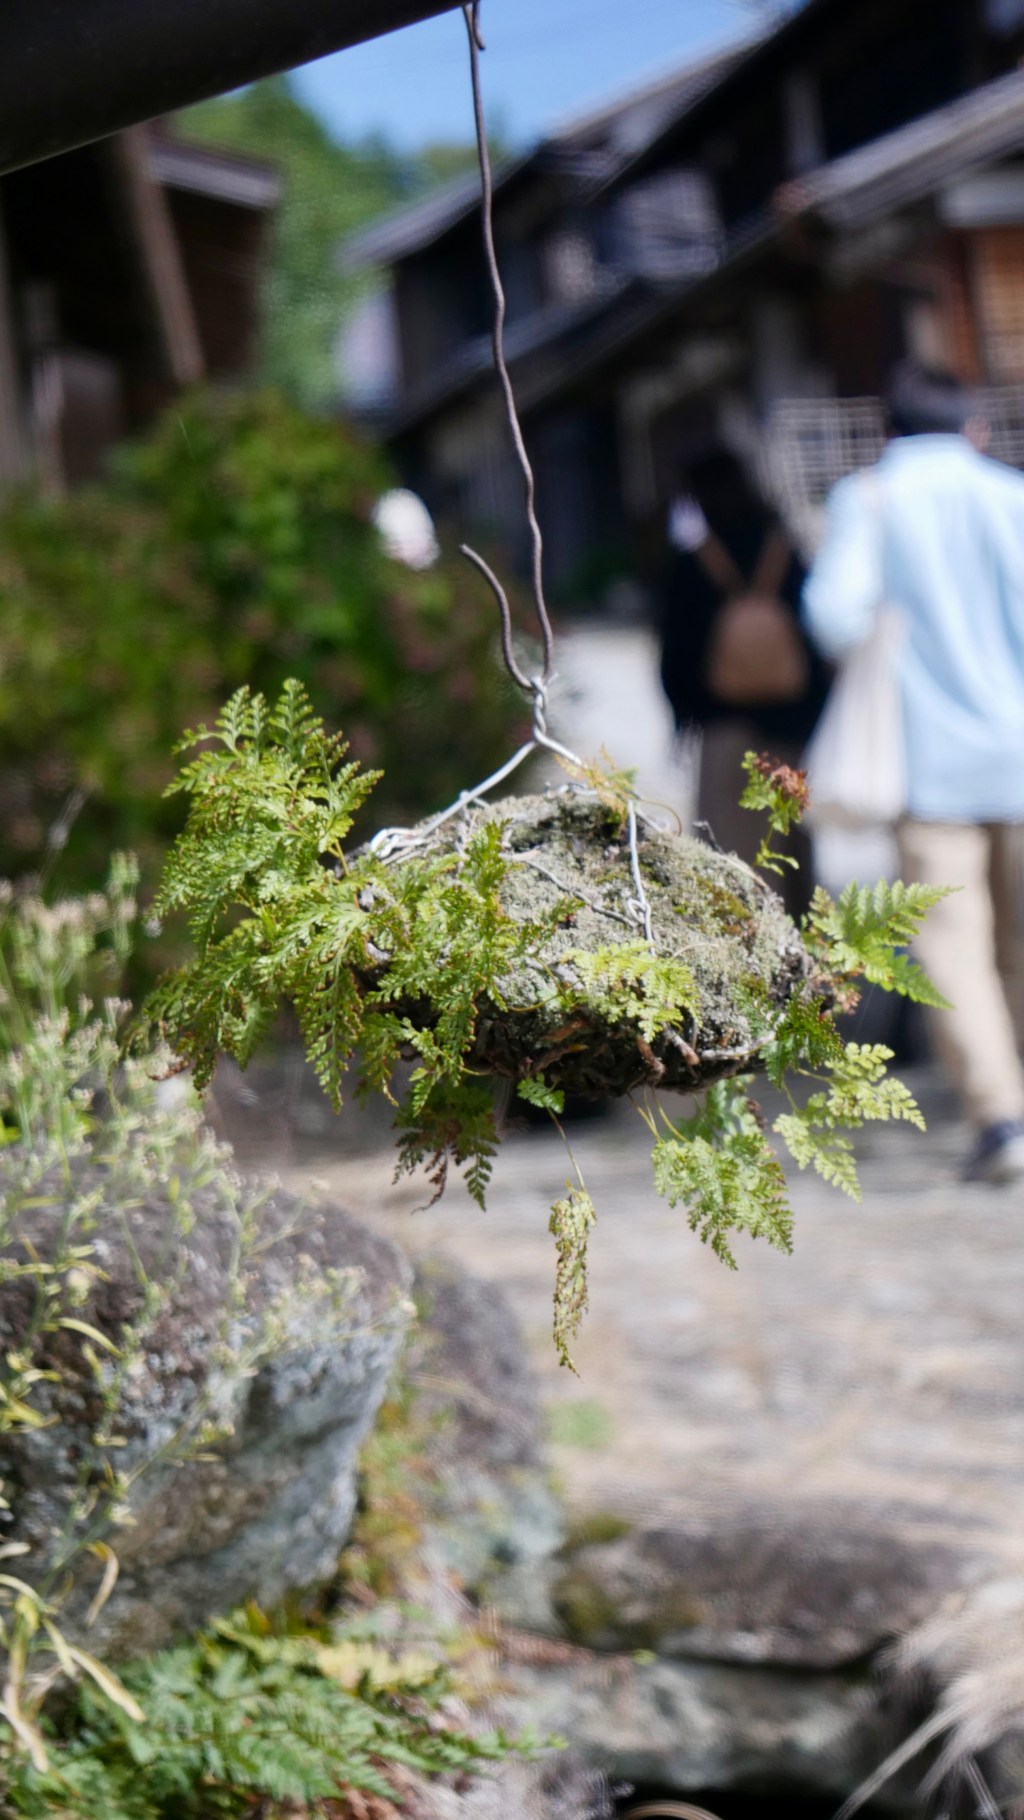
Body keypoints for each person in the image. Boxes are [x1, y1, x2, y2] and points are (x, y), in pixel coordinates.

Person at [803, 361, 1024, 1184]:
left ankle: (1003, 1120)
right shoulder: (1011, 495)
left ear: (888, 430)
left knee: (954, 948)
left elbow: (830, 616)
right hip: (1021, 752)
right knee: (1018, 942)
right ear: (976, 427)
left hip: (930, 767)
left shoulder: (870, 500)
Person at [658, 448, 827, 917]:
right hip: (790, 730)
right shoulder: (784, 552)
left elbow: (676, 658)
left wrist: (684, 718)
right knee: (793, 852)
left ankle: (755, 968)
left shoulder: (694, 564)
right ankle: (804, 964)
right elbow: (815, 642)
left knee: (734, 864)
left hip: (725, 732)